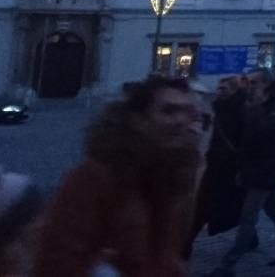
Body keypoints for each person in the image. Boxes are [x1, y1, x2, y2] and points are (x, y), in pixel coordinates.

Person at [35, 75, 202, 276]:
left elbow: (166, 255)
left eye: (187, 112)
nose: (181, 120)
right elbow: (58, 259)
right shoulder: (94, 177)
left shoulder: (172, 177)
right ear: (139, 120)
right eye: (169, 111)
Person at [212, 69, 275, 275]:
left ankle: (228, 264)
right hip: (256, 169)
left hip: (266, 171)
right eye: (248, 82)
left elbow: (263, 132)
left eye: (254, 83)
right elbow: (246, 138)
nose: (249, 87)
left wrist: (254, 106)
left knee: (248, 218)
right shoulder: (261, 103)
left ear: (266, 85)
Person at [185, 75, 248, 259]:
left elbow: (245, 142)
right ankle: (186, 245)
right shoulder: (219, 108)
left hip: (231, 167)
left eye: (224, 89)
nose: (219, 92)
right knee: (204, 204)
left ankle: (186, 244)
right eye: (219, 88)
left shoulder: (242, 111)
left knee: (213, 205)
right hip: (215, 164)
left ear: (234, 91)